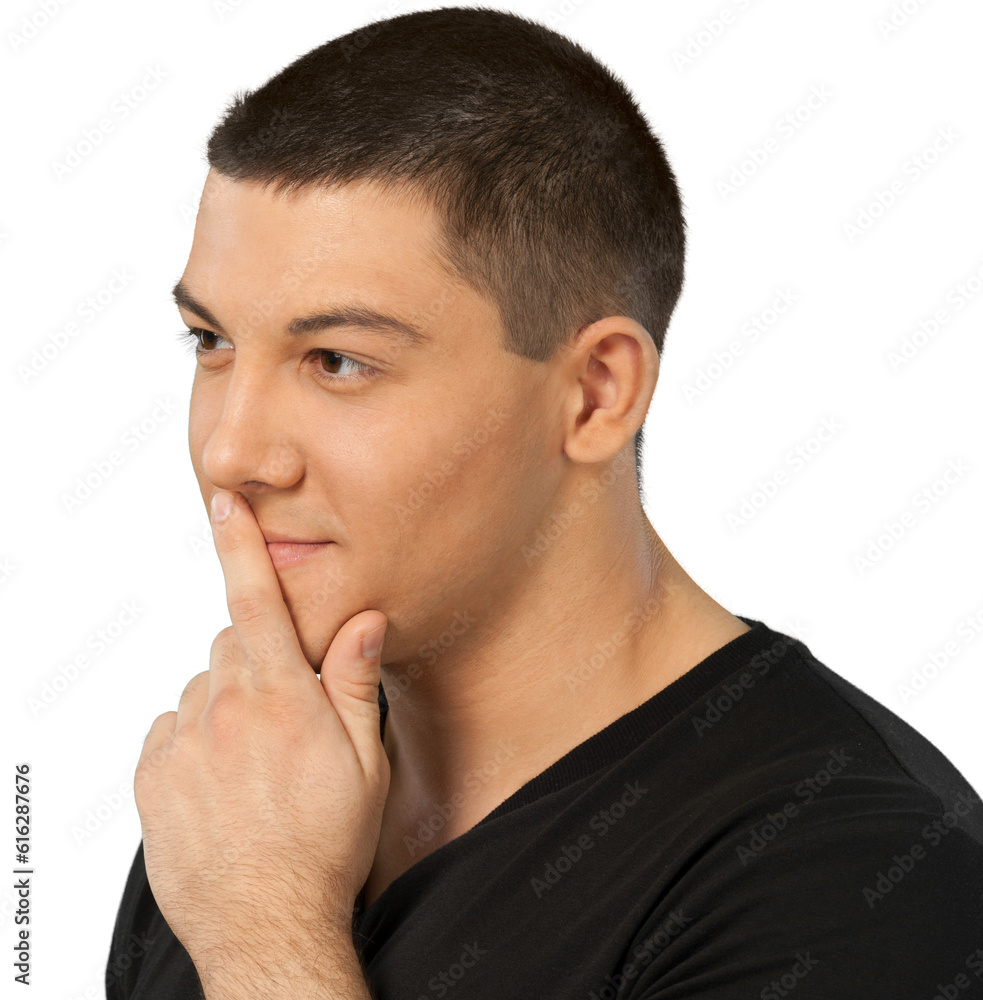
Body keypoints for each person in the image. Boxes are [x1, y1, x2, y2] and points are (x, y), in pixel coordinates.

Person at [106, 7, 983, 999]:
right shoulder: (244, 792)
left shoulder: (858, 873)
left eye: (338, 360)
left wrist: (263, 936)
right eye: (210, 341)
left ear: (594, 393)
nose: (230, 451)